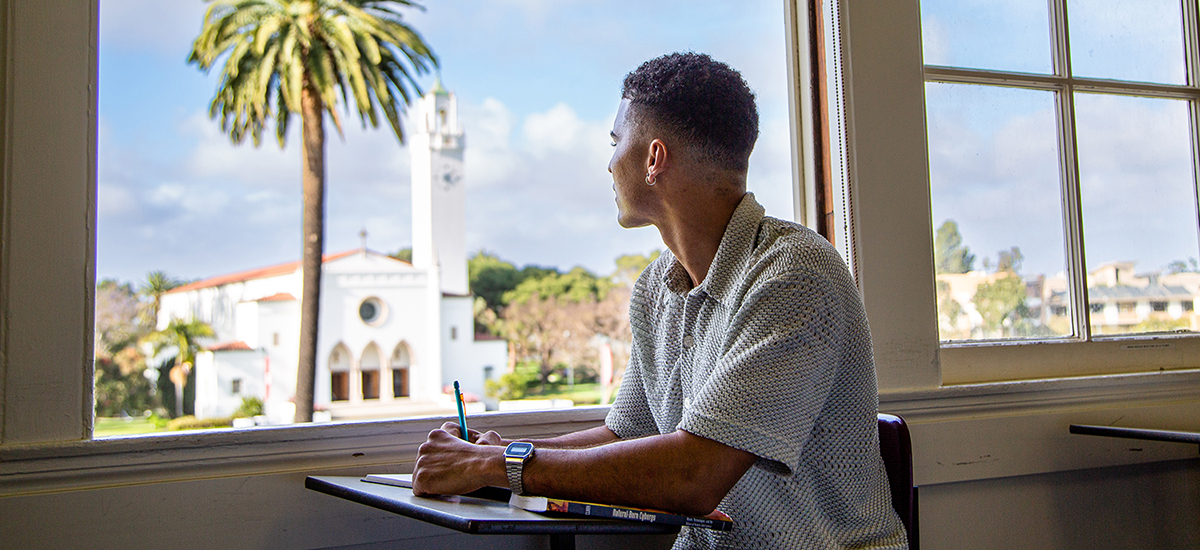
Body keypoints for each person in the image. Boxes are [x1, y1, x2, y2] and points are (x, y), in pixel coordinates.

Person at [412, 52, 908, 549]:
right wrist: (512, 453)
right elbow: (625, 437)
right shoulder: (655, 290)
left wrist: (497, 466)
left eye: (614, 142)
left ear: (653, 158)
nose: (608, 163)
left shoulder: (795, 275)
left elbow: (693, 475)